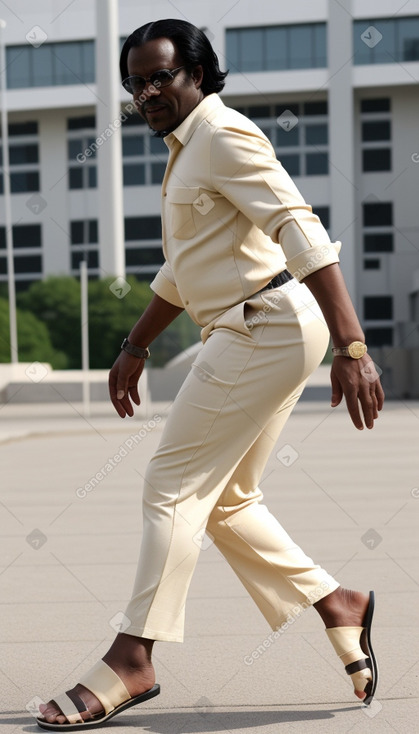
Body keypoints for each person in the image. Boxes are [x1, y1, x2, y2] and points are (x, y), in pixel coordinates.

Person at [37, 18, 384, 730]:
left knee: (171, 485)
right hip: (259, 320)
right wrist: (134, 347)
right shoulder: (186, 150)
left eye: (161, 75)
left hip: (264, 322)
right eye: (136, 82)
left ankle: (132, 657)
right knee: (225, 501)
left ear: (198, 73)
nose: (148, 91)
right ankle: (337, 602)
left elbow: (298, 225)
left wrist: (353, 347)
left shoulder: (222, 135)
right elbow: (183, 268)